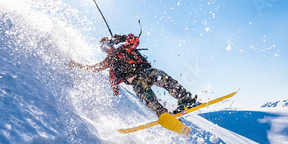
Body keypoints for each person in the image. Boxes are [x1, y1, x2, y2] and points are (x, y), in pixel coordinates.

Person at [69, 33, 198, 117]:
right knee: (143, 95)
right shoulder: (109, 61)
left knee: (160, 76)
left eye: (108, 44)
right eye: (103, 48)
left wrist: (122, 38)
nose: (107, 49)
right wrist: (78, 66)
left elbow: (135, 40)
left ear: (112, 43)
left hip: (145, 73)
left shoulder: (124, 48)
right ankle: (163, 114)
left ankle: (186, 100)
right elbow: (95, 68)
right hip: (137, 82)